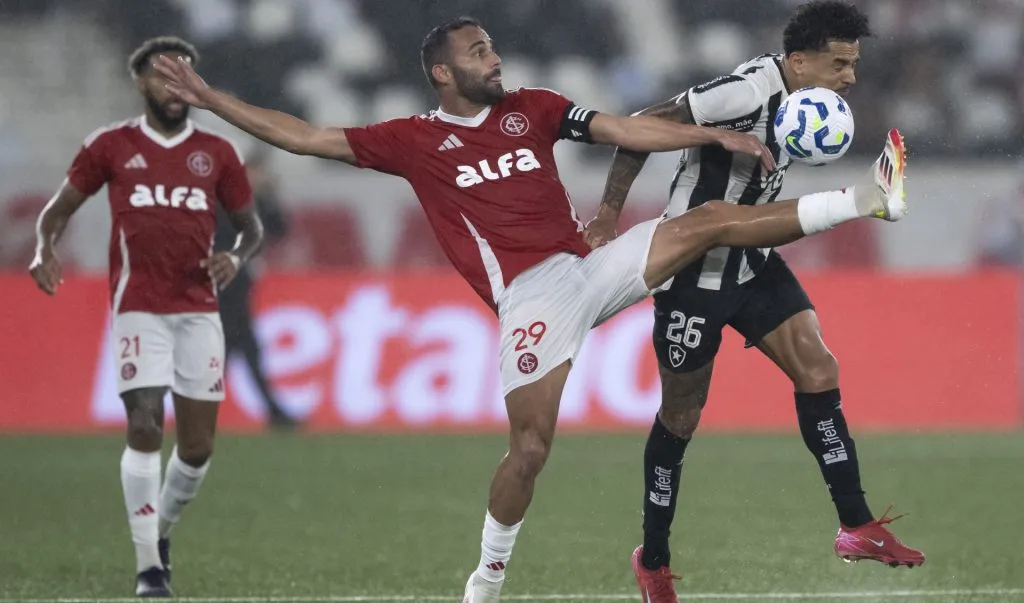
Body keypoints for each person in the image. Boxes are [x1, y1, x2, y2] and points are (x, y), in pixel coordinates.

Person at [151, 16, 907, 602]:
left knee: (701, 224)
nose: (496, 58)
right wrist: (212, 99)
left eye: (494, 48)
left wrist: (707, 134)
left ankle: (864, 198)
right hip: (532, 299)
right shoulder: (413, 140)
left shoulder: (532, 109)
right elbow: (307, 136)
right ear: (443, 71)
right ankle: (485, 581)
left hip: (589, 267)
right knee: (531, 449)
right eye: (479, 51)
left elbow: (623, 128)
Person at [586, 2, 925, 600]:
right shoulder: (744, 91)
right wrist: (609, 214)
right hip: (692, 269)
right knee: (681, 417)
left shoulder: (808, 104)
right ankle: (654, 559)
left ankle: (855, 525)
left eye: (854, 63)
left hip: (750, 259)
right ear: (798, 60)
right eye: (839, 63)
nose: (850, 77)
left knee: (819, 369)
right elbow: (637, 126)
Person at [28, 37, 264, 598]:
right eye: (163, 77)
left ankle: (159, 533)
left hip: (199, 309)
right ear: (140, 82)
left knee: (199, 447)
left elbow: (251, 230)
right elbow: (57, 210)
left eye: (183, 77)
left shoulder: (218, 152)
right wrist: (44, 248)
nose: (174, 88)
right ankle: (148, 571)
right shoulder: (111, 146)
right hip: (139, 309)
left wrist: (234, 255)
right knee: (143, 427)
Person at [213, 149, 295, 429]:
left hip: (238, 287)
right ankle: (274, 412)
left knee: (237, 350)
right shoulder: (223, 204)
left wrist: (267, 196)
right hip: (224, 287)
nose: (258, 178)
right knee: (238, 350)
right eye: (254, 173)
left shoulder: (252, 203)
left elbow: (280, 228)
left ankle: (273, 411)